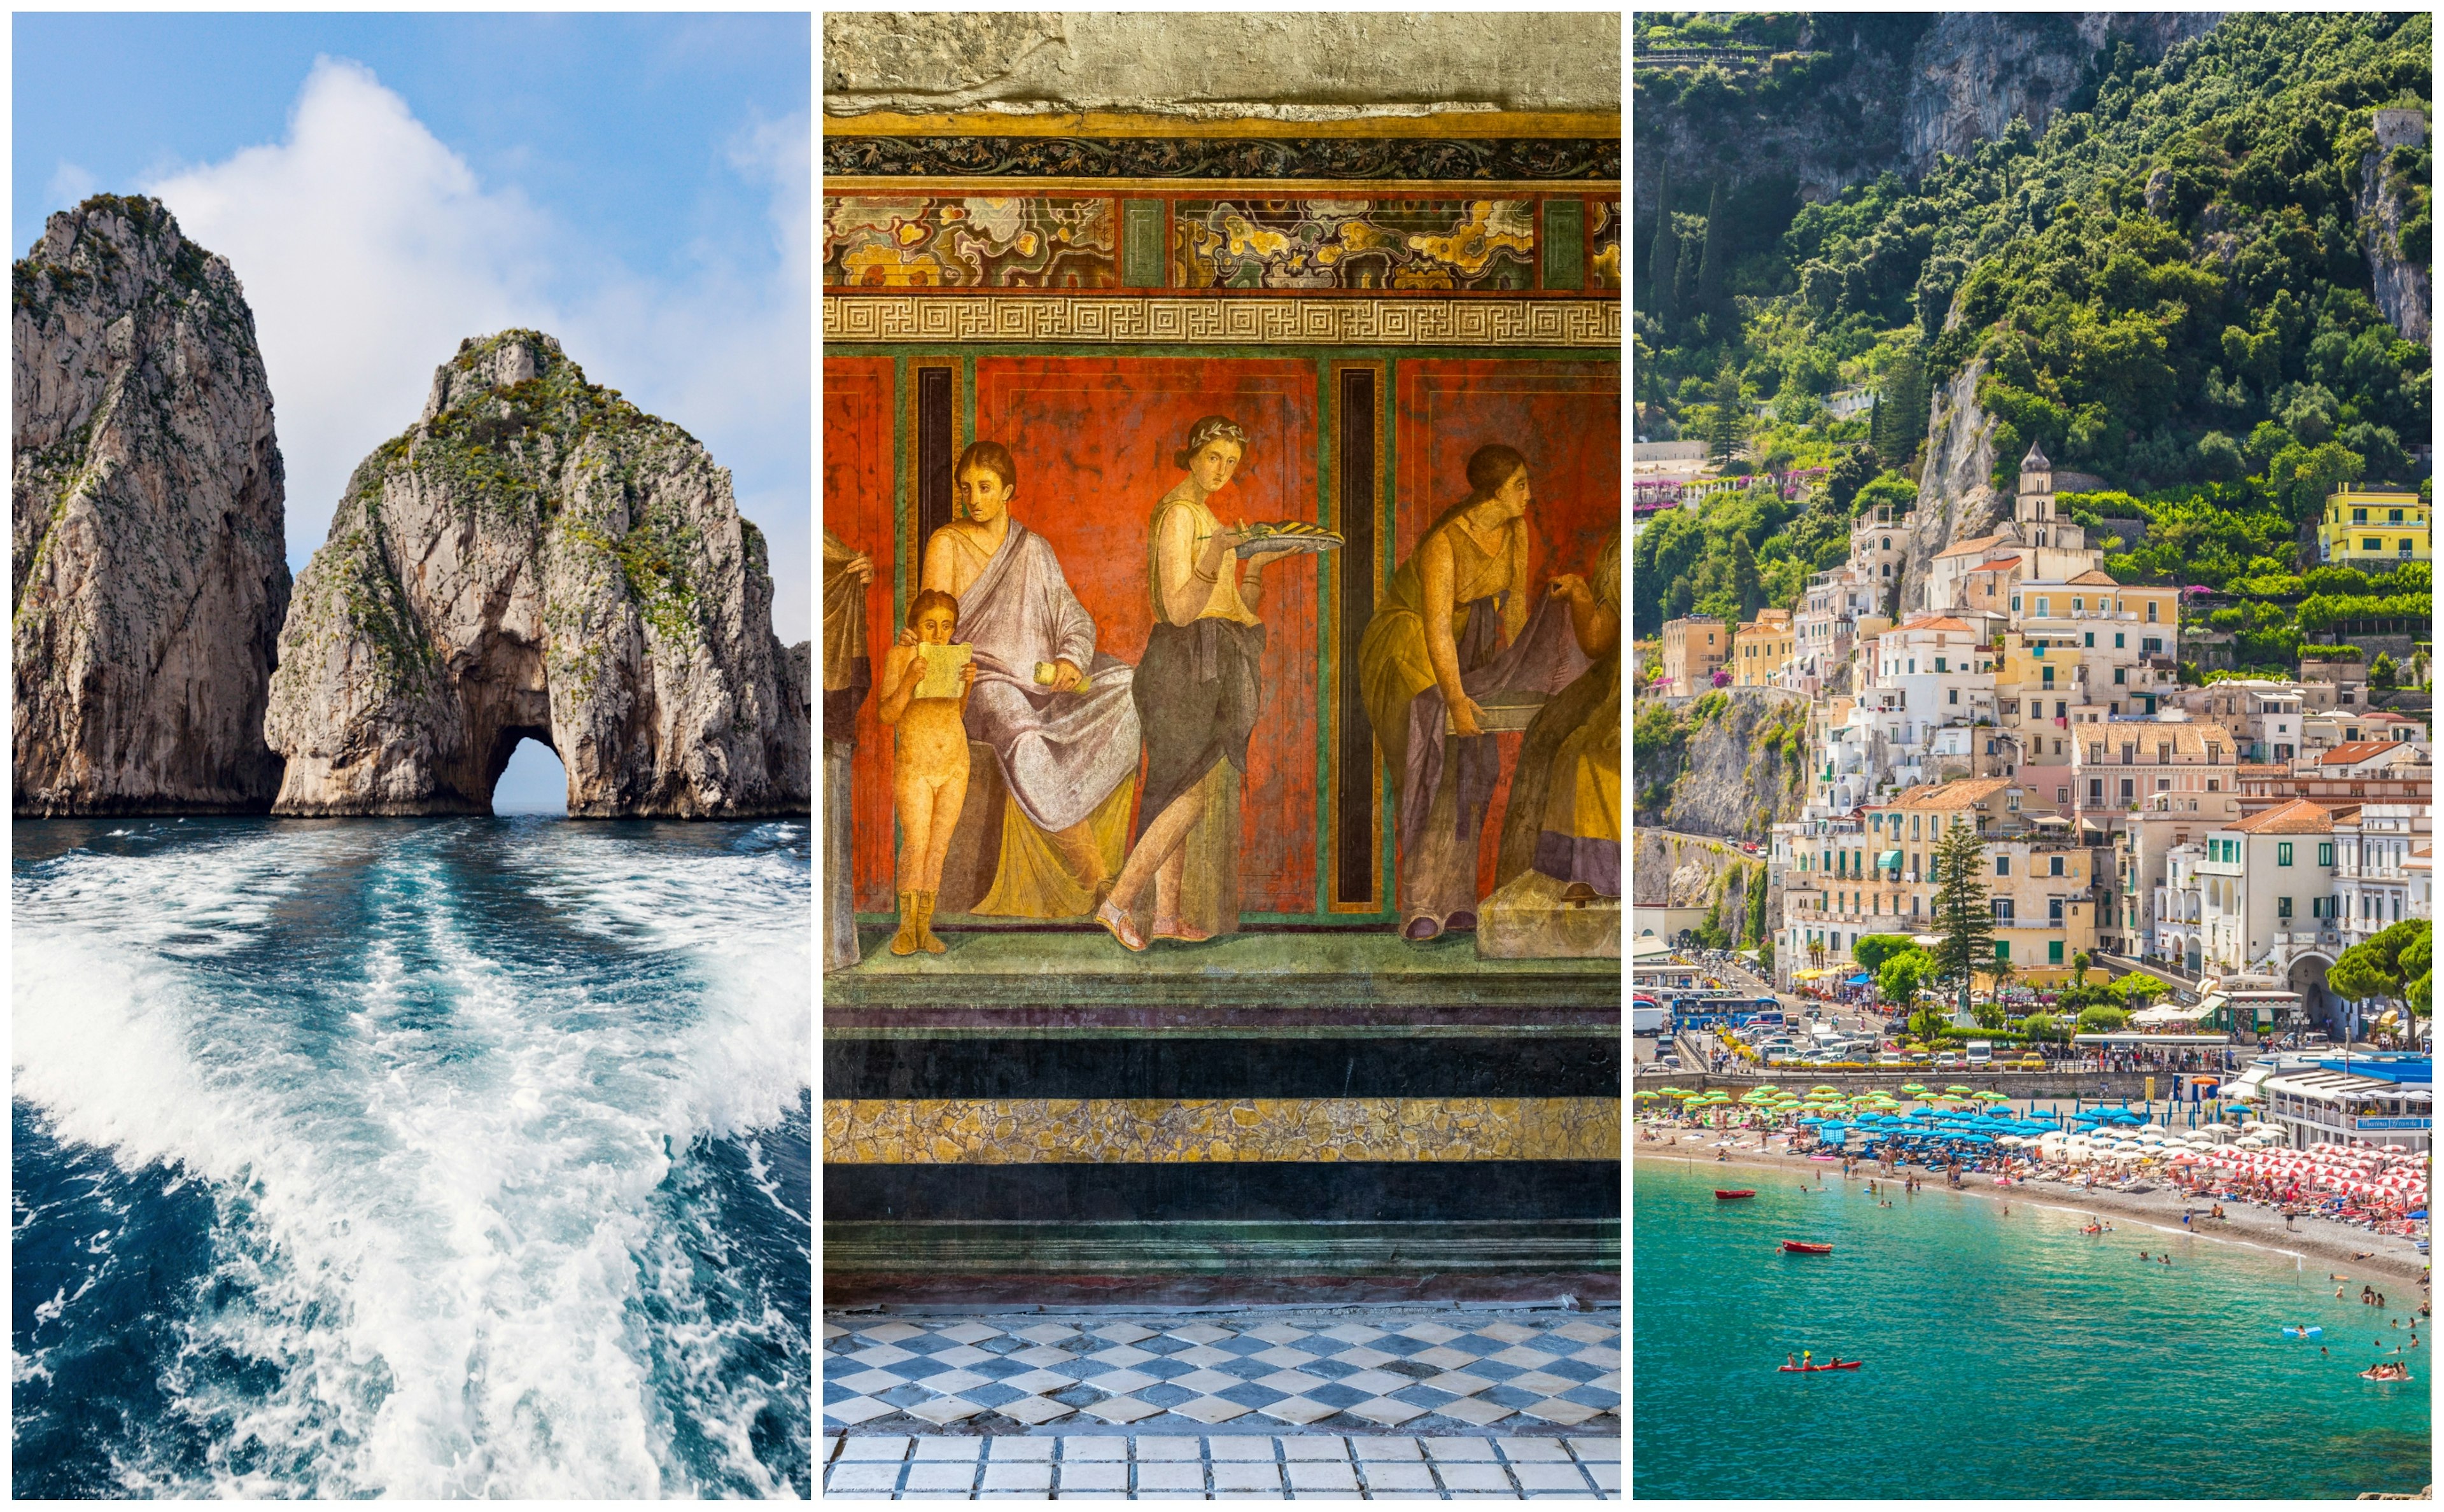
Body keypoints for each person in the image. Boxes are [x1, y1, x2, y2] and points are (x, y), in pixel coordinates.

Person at [1100, 417, 1307, 949]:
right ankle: (1118, 903)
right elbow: (1179, 609)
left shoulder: (1210, 518)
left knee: (1185, 789)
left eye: (1232, 462)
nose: (1222, 469)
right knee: (1183, 798)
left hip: (1208, 665)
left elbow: (1235, 612)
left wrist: (1256, 563)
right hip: (1177, 665)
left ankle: (1166, 918)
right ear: (1191, 455)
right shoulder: (1178, 517)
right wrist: (1219, 551)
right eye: (1214, 456)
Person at [921, 441, 1142, 918]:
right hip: (984, 684)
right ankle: (1098, 880)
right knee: (1024, 736)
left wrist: (1070, 660)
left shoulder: (1034, 549)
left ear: (1008, 491)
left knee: (1127, 684)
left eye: (984, 488)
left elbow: (1075, 619)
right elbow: (932, 625)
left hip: (1045, 682)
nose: (973, 499)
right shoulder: (946, 543)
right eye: (966, 489)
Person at [1358, 443, 1538, 940]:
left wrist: (1520, 673)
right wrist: (1456, 700)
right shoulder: (1445, 543)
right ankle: (1420, 905)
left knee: (1474, 766)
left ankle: (1457, 899)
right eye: (1520, 485)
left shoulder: (1517, 531)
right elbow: (1436, 628)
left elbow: (1517, 608)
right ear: (1497, 491)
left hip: (1469, 646)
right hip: (1409, 650)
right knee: (1431, 765)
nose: (1529, 493)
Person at [1495, 528, 1622, 902]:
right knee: (1568, 752)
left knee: (1584, 758)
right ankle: (1573, 874)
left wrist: (1580, 593)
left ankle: (1599, 875)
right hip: (1608, 687)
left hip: (1614, 692)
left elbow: (1598, 640)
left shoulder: (1621, 552)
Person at [876, 589, 978, 955]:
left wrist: (967, 685)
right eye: (931, 625)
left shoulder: (955, 658)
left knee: (938, 850)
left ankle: (924, 929)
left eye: (946, 626)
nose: (939, 635)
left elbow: (958, 714)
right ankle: (905, 929)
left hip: (955, 762)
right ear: (916, 626)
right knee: (916, 845)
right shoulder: (900, 656)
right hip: (916, 764)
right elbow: (886, 714)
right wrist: (908, 680)